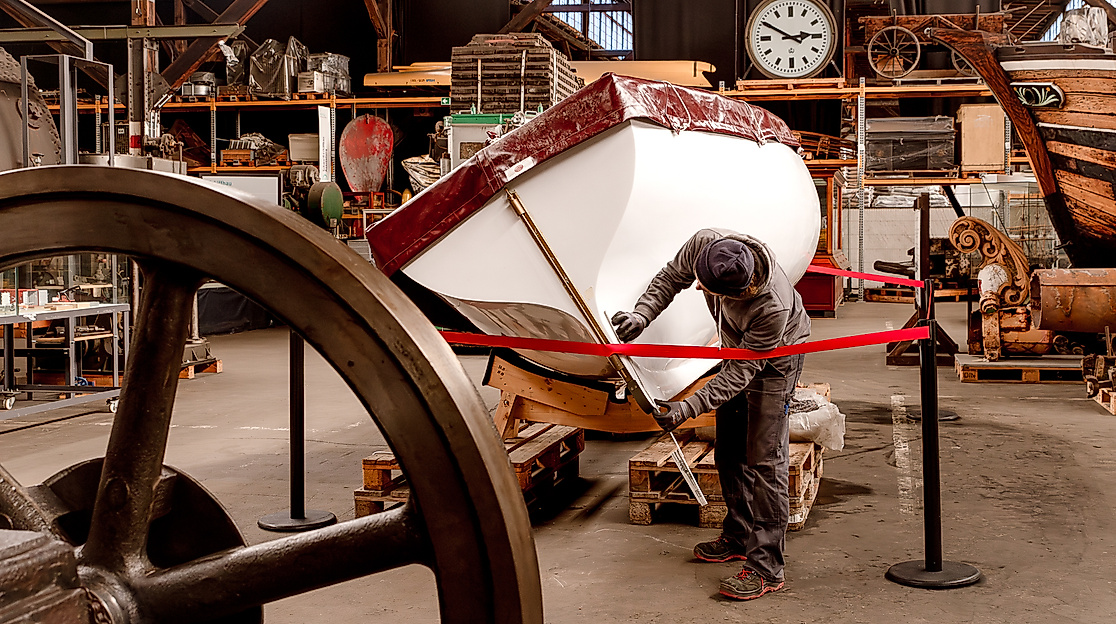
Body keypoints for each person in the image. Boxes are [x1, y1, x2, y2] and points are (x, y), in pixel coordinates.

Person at [610, 227, 810, 601]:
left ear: (737, 292)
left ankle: (767, 567)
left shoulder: (771, 306)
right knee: (730, 448)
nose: (699, 290)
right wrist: (641, 315)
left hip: (776, 360)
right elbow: (672, 276)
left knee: (766, 460)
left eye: (707, 290)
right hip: (736, 348)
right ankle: (738, 535)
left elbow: (740, 374)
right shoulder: (708, 244)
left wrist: (687, 408)